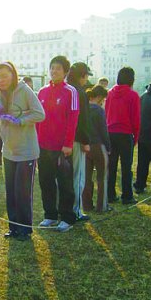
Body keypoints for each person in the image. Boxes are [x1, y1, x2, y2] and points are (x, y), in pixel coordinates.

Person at [0, 61, 45, 241]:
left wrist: (20, 119)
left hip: (26, 152)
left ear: (13, 75)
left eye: (4, 76)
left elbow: (40, 113)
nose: (1, 80)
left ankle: (25, 229)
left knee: (23, 192)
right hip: (8, 151)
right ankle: (14, 228)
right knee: (11, 191)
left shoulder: (25, 91)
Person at [36, 56, 80, 232]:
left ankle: (67, 217)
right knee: (45, 181)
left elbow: (73, 119)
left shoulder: (71, 91)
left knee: (65, 184)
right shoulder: (42, 91)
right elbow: (38, 119)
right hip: (43, 146)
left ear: (66, 72)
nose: (54, 71)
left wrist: (68, 144)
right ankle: (50, 215)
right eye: (52, 67)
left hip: (62, 148)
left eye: (58, 68)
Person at [105, 67, 140, 205]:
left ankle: (110, 194)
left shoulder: (110, 94)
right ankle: (127, 195)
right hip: (125, 134)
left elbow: (106, 113)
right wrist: (135, 137)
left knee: (111, 166)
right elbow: (136, 119)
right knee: (126, 167)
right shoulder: (133, 95)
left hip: (110, 133)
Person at [66, 62, 90, 221]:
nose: (87, 79)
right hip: (75, 140)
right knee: (77, 176)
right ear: (82, 75)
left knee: (64, 177)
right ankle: (76, 210)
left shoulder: (65, 89)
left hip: (62, 141)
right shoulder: (79, 92)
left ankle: (65, 208)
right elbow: (83, 120)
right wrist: (85, 141)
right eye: (86, 75)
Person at [83, 85, 111, 213]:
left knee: (86, 178)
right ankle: (102, 206)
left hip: (85, 146)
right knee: (102, 177)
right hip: (98, 146)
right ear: (99, 97)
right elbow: (103, 131)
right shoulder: (99, 110)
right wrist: (108, 147)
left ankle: (87, 205)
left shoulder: (83, 108)